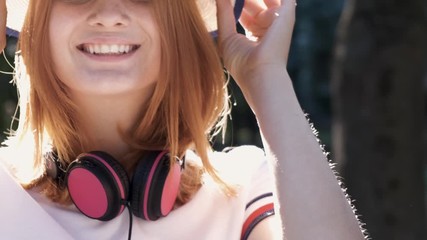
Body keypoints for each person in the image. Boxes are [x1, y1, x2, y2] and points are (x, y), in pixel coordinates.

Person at [0, 0, 367, 239]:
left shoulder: (243, 190)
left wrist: (269, 79)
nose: (109, 13)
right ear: (38, 21)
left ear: (179, 22)